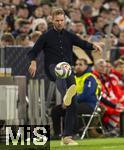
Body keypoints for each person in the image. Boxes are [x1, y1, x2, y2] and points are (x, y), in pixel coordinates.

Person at [28, 7, 102, 145]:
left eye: (62, 20)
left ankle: (67, 137)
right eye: (57, 20)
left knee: (73, 103)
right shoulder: (45, 36)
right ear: (51, 20)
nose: (60, 23)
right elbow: (33, 51)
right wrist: (33, 63)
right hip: (52, 69)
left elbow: (82, 43)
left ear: (64, 20)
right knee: (60, 72)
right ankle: (65, 93)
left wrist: (94, 46)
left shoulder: (69, 35)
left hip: (68, 69)